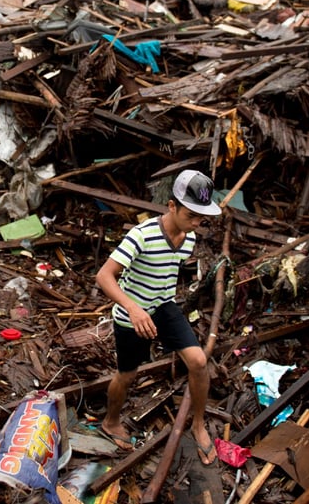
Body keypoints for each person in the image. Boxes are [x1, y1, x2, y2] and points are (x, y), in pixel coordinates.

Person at [95, 169, 221, 465]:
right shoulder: (142, 235)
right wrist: (133, 308)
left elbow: (168, 273)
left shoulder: (188, 239)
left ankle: (198, 424)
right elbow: (104, 276)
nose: (196, 224)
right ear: (172, 206)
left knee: (199, 362)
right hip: (132, 313)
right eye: (190, 215)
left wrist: (158, 306)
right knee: (127, 374)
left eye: (201, 218)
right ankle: (110, 422)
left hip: (163, 305)